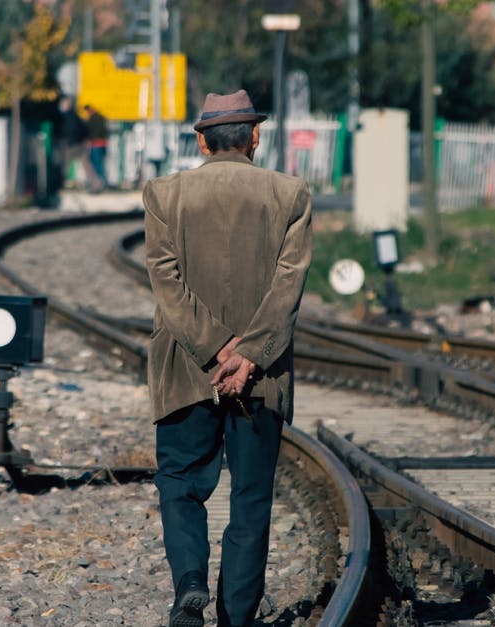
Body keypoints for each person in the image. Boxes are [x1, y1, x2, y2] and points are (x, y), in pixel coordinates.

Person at [143, 89, 312, 627]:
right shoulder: (290, 195)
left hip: (185, 370)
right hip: (261, 378)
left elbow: (165, 283)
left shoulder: (164, 195)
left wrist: (216, 349)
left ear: (200, 140)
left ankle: (189, 582)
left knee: (180, 484)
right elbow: (290, 285)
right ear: (255, 136)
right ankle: (236, 617)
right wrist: (250, 355)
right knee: (251, 498)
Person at [83, 104, 110, 192]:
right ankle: (104, 183)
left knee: (96, 165)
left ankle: (100, 184)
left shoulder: (92, 119)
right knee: (101, 164)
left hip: (95, 144)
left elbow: (90, 132)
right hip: (103, 144)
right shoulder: (102, 117)